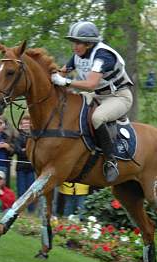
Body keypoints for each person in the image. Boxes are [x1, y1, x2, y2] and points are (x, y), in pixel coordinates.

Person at [51, 21, 133, 183]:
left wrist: (65, 82)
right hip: (97, 95)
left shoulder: (102, 55)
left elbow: (90, 84)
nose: (74, 46)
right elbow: (61, 73)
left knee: (97, 118)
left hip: (118, 97)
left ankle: (111, 161)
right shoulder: (78, 56)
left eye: (78, 43)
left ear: (89, 44)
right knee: (70, 108)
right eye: (73, 42)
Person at [15, 115, 36, 212]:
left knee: (31, 192)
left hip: (31, 168)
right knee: (21, 191)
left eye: (28, 124)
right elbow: (18, 150)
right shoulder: (18, 137)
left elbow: (35, 151)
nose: (26, 126)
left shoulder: (34, 137)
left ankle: (31, 212)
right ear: (21, 126)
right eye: (24, 124)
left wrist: (26, 150)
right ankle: (20, 211)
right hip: (21, 168)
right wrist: (27, 151)